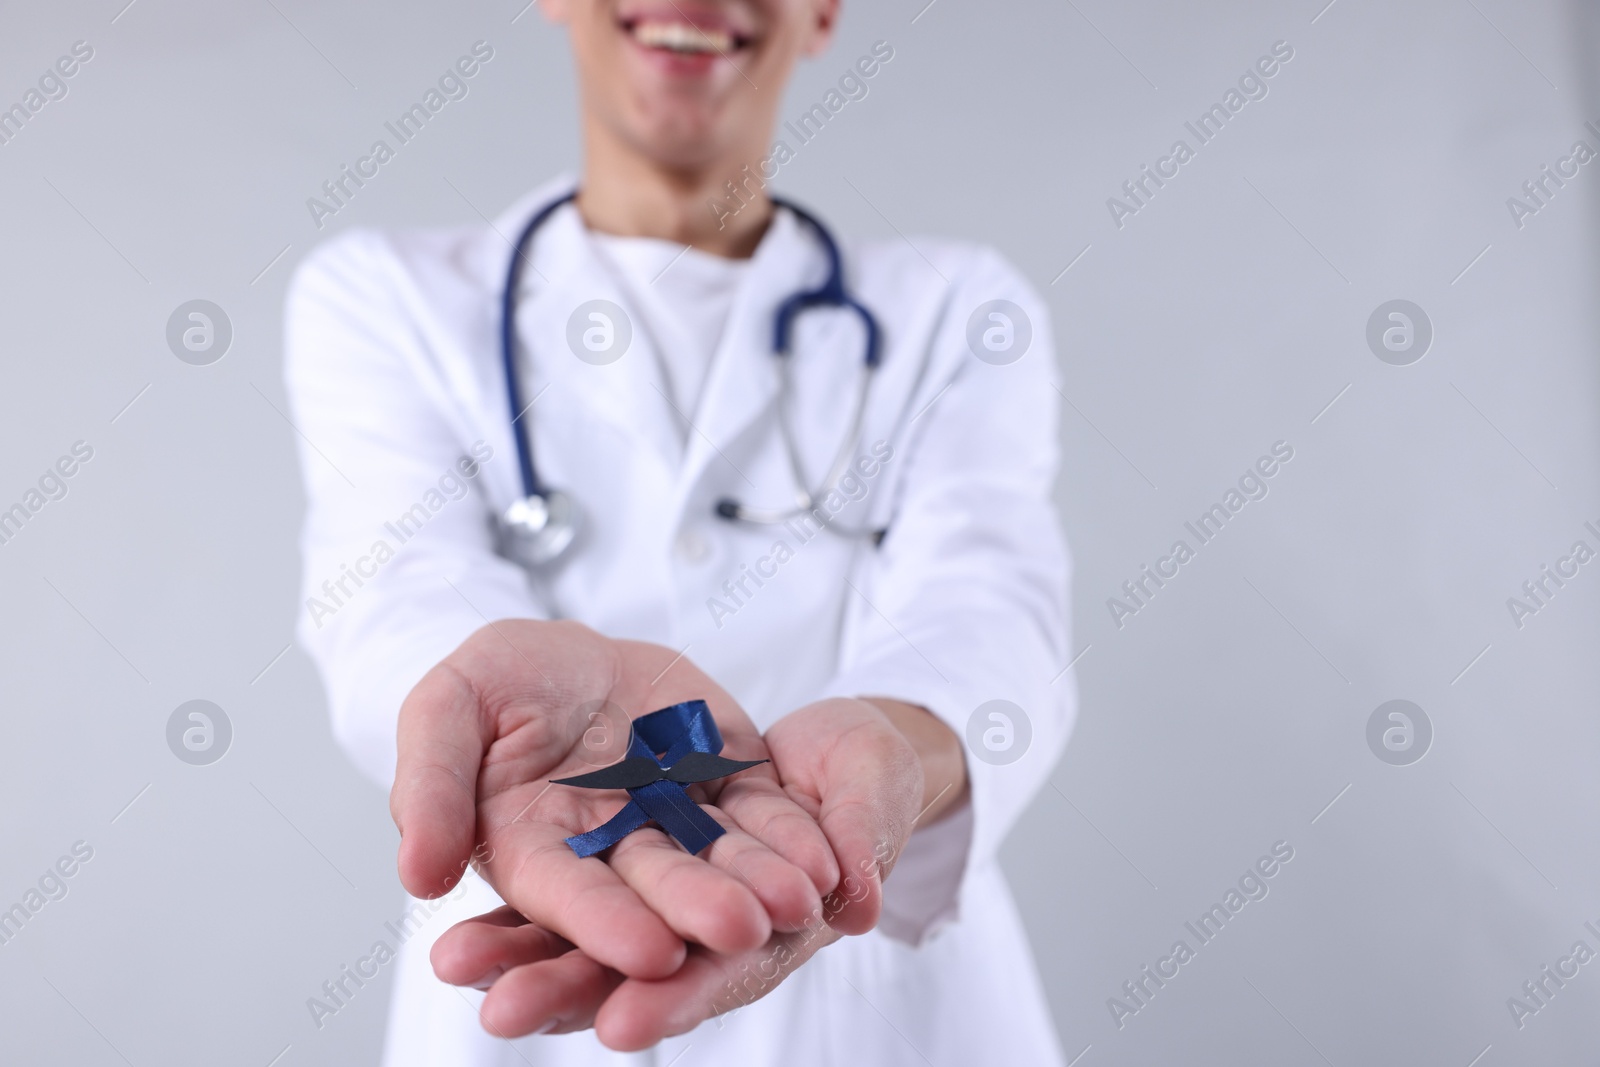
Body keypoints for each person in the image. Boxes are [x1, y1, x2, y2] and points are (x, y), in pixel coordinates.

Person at [284, 1, 1075, 1063]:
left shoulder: (956, 309)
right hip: (529, 962)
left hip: (879, 999)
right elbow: (393, 585)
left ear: (825, 13)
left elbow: (988, 606)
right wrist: (494, 700)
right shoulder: (384, 298)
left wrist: (893, 741)